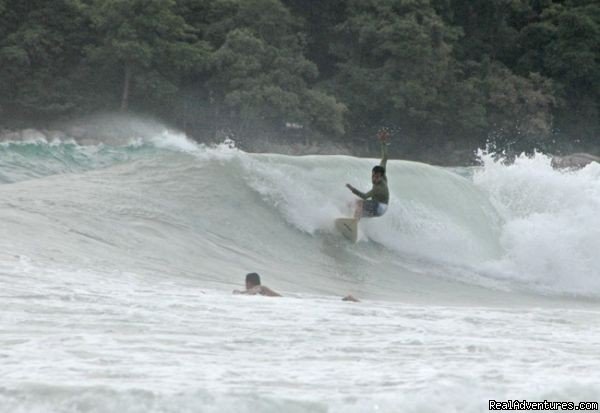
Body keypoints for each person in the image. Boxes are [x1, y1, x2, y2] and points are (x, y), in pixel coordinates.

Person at [346, 129, 391, 219]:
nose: (374, 178)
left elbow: (365, 196)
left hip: (380, 207)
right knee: (352, 205)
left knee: (359, 203)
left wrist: (352, 189)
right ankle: (353, 227)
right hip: (379, 210)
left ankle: (353, 224)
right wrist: (383, 143)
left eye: (377, 177)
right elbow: (384, 158)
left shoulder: (380, 186)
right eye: (373, 176)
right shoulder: (379, 179)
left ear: (382, 176)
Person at [233, 272, 360, 302]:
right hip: (290, 301)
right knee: (318, 302)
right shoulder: (261, 288)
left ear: (249, 282)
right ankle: (345, 299)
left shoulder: (260, 287)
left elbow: (256, 290)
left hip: (289, 301)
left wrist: (241, 294)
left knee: (316, 303)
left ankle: (346, 299)